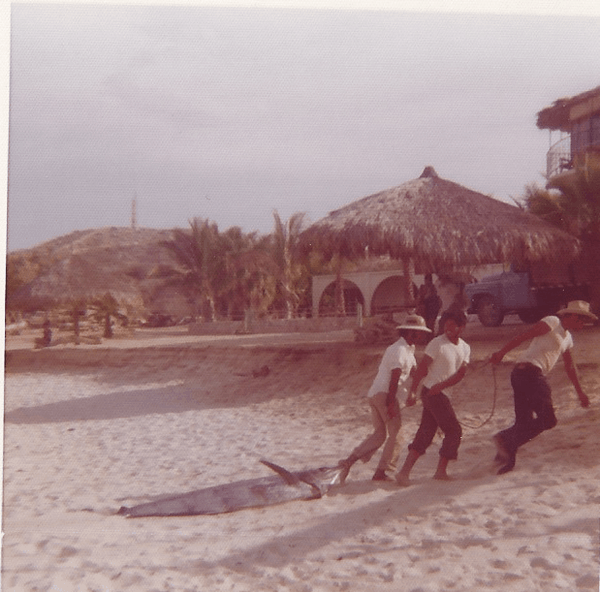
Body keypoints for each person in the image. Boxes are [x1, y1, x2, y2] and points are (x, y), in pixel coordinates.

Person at [490, 300, 596, 475]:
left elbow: (570, 367)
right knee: (548, 420)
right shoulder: (553, 322)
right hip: (529, 373)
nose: (584, 325)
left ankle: (505, 454)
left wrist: (580, 392)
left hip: (524, 375)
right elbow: (524, 336)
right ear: (574, 316)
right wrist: (501, 353)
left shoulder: (568, 338)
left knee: (523, 423)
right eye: (582, 320)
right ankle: (505, 440)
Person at [338, 314, 432, 483]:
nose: (423, 336)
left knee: (380, 434)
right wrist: (390, 403)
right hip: (385, 395)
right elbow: (394, 376)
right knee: (397, 433)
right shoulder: (399, 350)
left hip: (375, 394)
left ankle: (348, 462)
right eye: (420, 332)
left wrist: (416, 390)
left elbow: (414, 374)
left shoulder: (407, 350)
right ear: (410, 333)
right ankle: (382, 471)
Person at [395, 309, 470, 485]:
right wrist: (413, 391)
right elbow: (422, 368)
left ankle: (404, 472)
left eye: (452, 324)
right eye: (445, 324)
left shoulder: (466, 348)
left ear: (461, 327)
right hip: (431, 393)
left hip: (439, 392)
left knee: (426, 432)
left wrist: (441, 386)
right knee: (454, 431)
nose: (448, 328)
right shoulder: (437, 343)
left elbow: (461, 374)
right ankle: (440, 471)